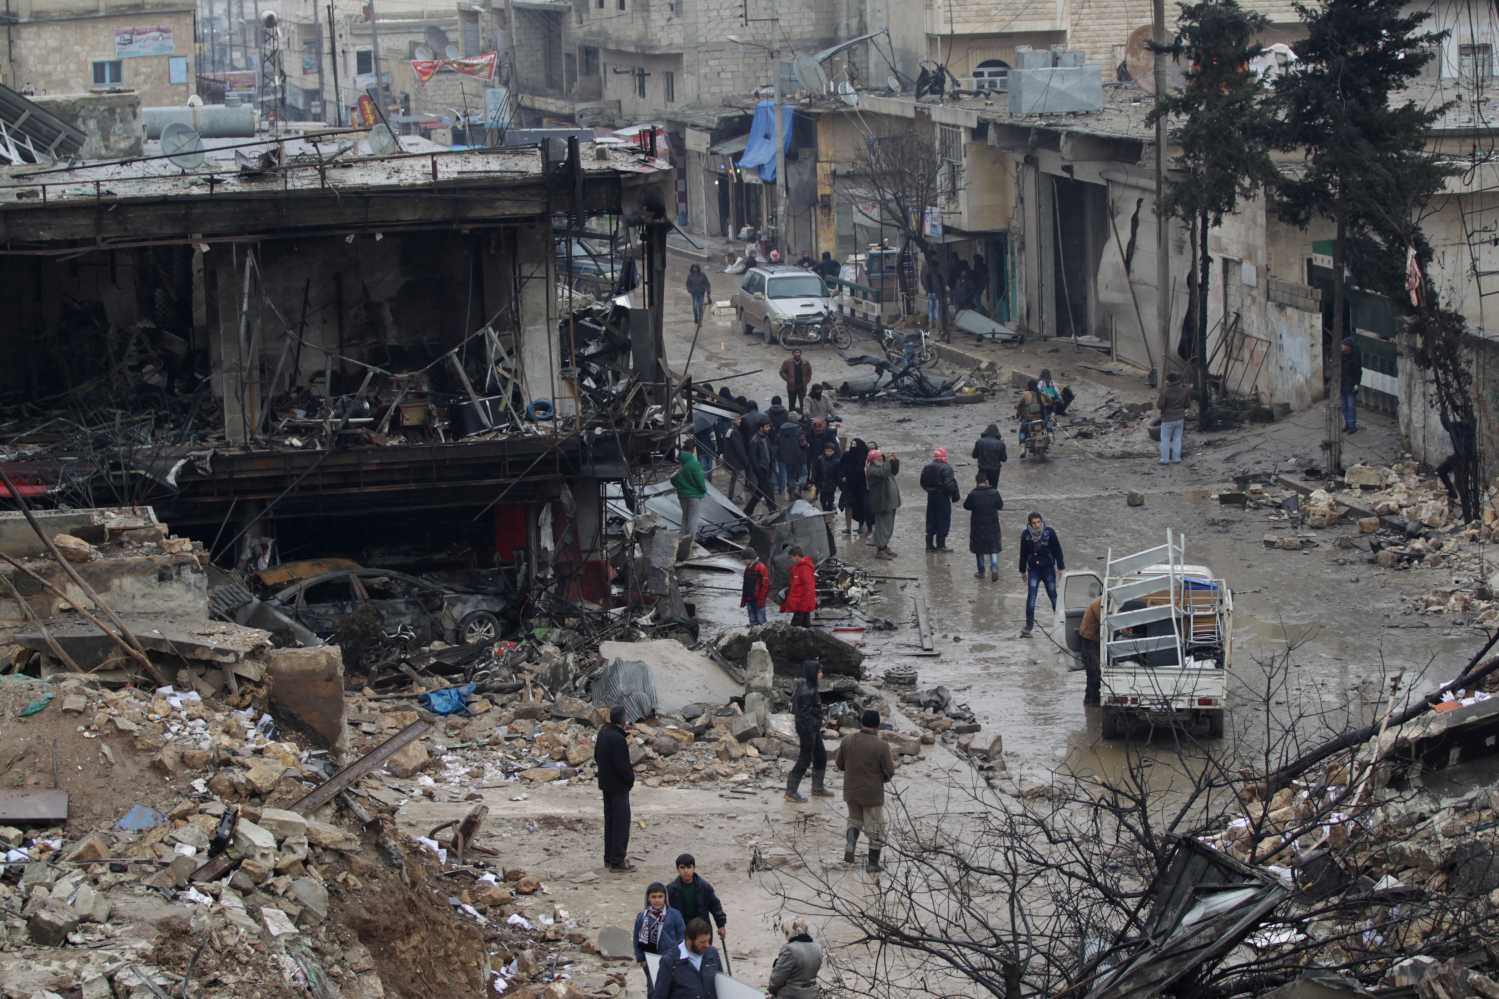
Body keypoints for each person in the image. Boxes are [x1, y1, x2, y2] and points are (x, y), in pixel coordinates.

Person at [835, 708, 895, 873]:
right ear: (877, 726)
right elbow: (889, 772)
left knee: (854, 820)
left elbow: (839, 765)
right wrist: (881, 780)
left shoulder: (847, 740)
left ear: (861, 723)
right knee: (875, 827)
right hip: (872, 794)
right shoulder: (882, 745)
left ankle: (850, 845)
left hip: (851, 791)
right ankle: (873, 864)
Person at [593, 705, 635, 872]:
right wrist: (630, 780)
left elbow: (596, 756)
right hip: (619, 787)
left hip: (606, 785)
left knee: (610, 822)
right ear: (622, 720)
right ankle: (618, 861)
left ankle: (609, 858)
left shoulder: (603, 734)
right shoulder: (618, 739)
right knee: (621, 824)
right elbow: (622, 766)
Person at [785, 661, 832, 802]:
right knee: (805, 759)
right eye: (819, 672)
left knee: (821, 756)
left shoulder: (808, 686)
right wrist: (815, 725)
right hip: (807, 729)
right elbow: (804, 715)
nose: (821, 675)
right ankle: (790, 791)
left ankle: (817, 788)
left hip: (812, 728)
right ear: (813, 673)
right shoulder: (807, 690)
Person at [1018, 512, 1065, 638]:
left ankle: (1061, 623)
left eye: (1038, 522)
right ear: (1030, 524)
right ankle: (1028, 626)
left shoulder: (1049, 533)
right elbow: (1022, 554)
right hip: (1033, 570)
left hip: (1048, 569)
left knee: (1053, 596)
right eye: (1034, 523)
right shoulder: (1026, 535)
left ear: (1042, 521)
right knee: (1031, 598)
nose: (1037, 525)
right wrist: (1022, 571)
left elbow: (1057, 550)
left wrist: (1060, 567)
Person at [652, 917, 724, 999]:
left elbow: (721, 986)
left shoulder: (713, 953)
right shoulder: (669, 962)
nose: (707, 945)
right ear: (689, 941)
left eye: (708, 941)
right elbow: (659, 996)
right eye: (702, 942)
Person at [667, 855, 728, 948]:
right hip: (681, 930)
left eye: (689, 867)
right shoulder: (671, 890)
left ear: (694, 868)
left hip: (702, 928)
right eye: (682, 867)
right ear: (677, 869)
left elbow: (715, 906)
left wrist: (721, 925)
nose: (686, 871)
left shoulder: (704, 887)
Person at [634, 882, 686, 973]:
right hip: (650, 960)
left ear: (665, 897)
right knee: (653, 986)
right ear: (648, 898)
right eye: (653, 897)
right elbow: (636, 938)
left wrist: (677, 956)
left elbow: (682, 937)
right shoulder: (642, 917)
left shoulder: (674, 914)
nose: (657, 900)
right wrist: (641, 958)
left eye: (660, 896)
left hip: (672, 959)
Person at [1437, 412, 1478, 522]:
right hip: (1457, 457)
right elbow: (1447, 426)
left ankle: (1466, 507)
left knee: (1461, 485)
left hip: (1465, 458)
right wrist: (1442, 413)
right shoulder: (1458, 425)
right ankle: (1452, 493)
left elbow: (1449, 426)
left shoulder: (1469, 426)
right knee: (1441, 470)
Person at [767, 919, 823, 998]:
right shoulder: (818, 948)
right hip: (812, 994)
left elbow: (776, 979)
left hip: (790, 995)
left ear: (789, 932)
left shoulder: (789, 949)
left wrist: (771, 991)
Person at [963, 472, 1003, 581]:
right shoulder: (994, 493)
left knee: (979, 549)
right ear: (986, 481)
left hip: (977, 526)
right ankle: (994, 567)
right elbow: (1000, 505)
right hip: (992, 525)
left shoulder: (973, 494)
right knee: (993, 547)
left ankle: (981, 571)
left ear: (977, 482)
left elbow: (966, 506)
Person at [919, 447, 960, 552]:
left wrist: (929, 490)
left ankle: (929, 545)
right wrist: (953, 494)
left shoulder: (927, 467)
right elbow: (949, 484)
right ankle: (941, 545)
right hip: (943, 497)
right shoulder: (946, 468)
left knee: (931, 519)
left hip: (931, 497)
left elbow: (922, 482)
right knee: (943, 519)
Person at [671, 445, 707, 559]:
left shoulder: (682, 466)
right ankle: (690, 542)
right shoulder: (694, 464)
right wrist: (703, 490)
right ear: (692, 451)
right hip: (694, 496)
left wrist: (681, 488)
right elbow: (700, 482)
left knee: (685, 518)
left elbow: (673, 479)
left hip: (682, 496)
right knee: (693, 519)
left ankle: (681, 539)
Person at [866, 449, 902, 559]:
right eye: (878, 457)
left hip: (890, 502)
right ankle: (880, 549)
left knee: (888, 525)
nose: (881, 458)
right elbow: (884, 472)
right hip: (882, 502)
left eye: (881, 456)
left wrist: (894, 461)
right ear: (873, 459)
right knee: (882, 526)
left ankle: (884, 546)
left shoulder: (883, 466)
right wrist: (888, 462)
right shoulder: (872, 469)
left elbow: (894, 471)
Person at [744, 421, 778, 517]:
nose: (769, 429)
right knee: (768, 489)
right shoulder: (755, 440)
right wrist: (758, 469)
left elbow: (769, 452)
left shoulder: (765, 438)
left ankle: (748, 510)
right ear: (761, 428)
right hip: (761, 469)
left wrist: (771, 464)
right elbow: (753, 457)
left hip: (767, 468)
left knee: (761, 491)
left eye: (769, 427)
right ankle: (773, 509)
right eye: (767, 427)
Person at [839, 439, 871, 538]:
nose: (853, 447)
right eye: (852, 445)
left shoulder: (865, 457)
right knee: (848, 506)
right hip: (849, 486)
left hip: (861, 487)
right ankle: (848, 528)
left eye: (855, 445)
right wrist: (842, 477)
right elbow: (841, 467)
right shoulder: (847, 455)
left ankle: (861, 526)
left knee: (861, 507)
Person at [1157, 371, 1190, 465]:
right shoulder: (1184, 390)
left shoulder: (1165, 391)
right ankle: (1176, 458)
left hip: (1167, 418)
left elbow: (1160, 405)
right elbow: (1187, 405)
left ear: (1167, 380)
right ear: (1177, 379)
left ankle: (1165, 459)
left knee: (1165, 438)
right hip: (1180, 418)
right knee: (1177, 438)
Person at [781, 545, 817, 627]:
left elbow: (809, 588)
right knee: (805, 626)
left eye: (791, 558)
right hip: (800, 604)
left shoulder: (804, 568)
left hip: (802, 605)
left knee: (794, 628)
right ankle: (808, 638)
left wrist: (803, 605)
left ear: (797, 556)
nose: (791, 560)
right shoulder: (797, 568)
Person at [1078, 595, 1102, 707]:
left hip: (1091, 639)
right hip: (1089, 640)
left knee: (1092, 672)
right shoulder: (1099, 604)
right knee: (1094, 672)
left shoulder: (1100, 602)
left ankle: (1090, 703)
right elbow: (1105, 621)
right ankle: (1092, 702)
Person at [1340, 337, 1363, 434]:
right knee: (1344, 406)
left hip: (1351, 385)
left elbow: (1358, 372)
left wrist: (1357, 384)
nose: (1343, 346)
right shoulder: (1341, 356)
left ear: (1349, 347)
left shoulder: (1355, 357)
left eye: (1344, 345)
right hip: (1342, 385)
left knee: (1351, 406)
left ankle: (1352, 426)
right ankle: (1347, 424)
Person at [812, 441, 842, 513]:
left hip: (832, 485)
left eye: (830, 451)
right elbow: (816, 471)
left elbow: (838, 474)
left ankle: (829, 512)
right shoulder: (820, 459)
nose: (829, 452)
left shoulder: (837, 461)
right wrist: (816, 482)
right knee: (823, 499)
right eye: (827, 451)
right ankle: (825, 512)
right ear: (824, 451)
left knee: (830, 499)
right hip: (822, 484)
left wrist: (838, 483)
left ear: (833, 451)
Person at [742, 555, 770, 626]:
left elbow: (765, 586)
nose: (743, 561)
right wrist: (743, 600)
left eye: (744, 559)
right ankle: (753, 634)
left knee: (761, 622)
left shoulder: (761, 567)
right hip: (749, 599)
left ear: (750, 558)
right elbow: (745, 585)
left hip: (758, 600)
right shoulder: (747, 568)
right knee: (752, 621)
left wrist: (761, 600)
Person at [1016, 379, 1045, 446]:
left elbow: (1019, 405)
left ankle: (1022, 446)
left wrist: (1019, 414)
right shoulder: (1041, 394)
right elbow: (1049, 402)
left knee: (1022, 430)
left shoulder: (1026, 394)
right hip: (1041, 420)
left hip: (1029, 420)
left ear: (1029, 386)